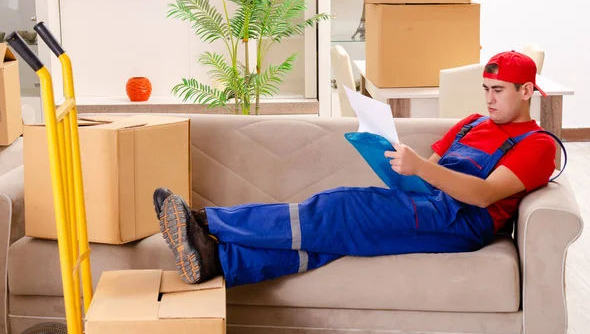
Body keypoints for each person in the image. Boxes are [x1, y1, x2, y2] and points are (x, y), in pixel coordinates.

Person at [153, 50, 564, 288]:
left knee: (340, 209)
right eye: (486, 90)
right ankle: (219, 261)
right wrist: (397, 163)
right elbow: (427, 175)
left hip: (462, 223)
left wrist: (421, 167)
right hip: (426, 202)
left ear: (527, 91)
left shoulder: (538, 145)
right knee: (335, 237)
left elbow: (484, 194)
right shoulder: (472, 123)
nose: (490, 100)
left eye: (499, 91)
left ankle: (207, 223)